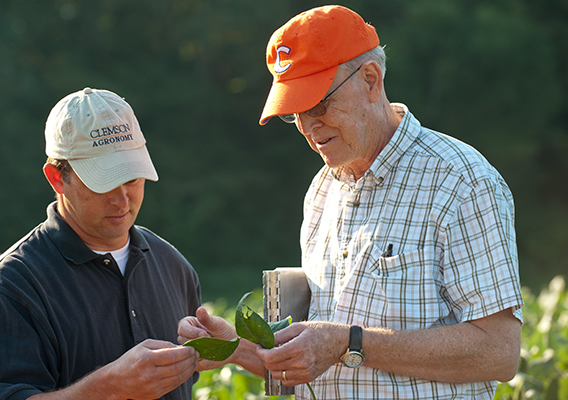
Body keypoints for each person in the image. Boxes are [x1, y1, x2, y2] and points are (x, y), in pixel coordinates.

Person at [178, 5, 524, 400]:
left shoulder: (461, 181)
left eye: (319, 106)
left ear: (371, 80)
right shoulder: (323, 190)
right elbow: (318, 363)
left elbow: (499, 352)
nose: (309, 127)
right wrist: (236, 349)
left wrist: (349, 342)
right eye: (295, 114)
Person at [0, 87, 201, 400]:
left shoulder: (173, 266)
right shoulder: (10, 288)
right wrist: (108, 387)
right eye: (103, 182)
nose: (122, 199)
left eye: (131, 178)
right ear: (56, 178)